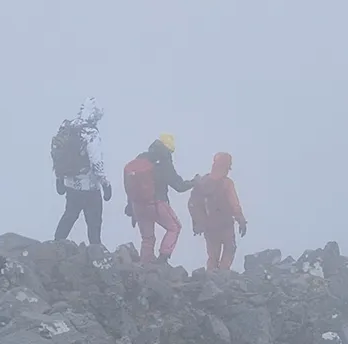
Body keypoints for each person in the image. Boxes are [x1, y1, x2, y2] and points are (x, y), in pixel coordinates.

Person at [121, 134, 197, 263]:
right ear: (168, 149)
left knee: (147, 238)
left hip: (138, 205)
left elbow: (132, 184)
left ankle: (145, 263)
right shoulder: (164, 162)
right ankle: (163, 258)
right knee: (175, 227)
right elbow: (179, 186)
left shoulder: (141, 158)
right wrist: (194, 182)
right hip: (157, 203)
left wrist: (131, 207)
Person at [52, 108, 112, 246]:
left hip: (70, 184)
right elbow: (96, 161)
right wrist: (105, 184)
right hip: (89, 187)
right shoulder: (91, 133)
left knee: (69, 215)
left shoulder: (67, 128)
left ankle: (55, 245)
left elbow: (58, 155)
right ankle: (96, 250)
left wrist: (59, 177)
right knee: (94, 220)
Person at [188, 152, 247, 272]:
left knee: (213, 256)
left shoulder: (202, 182)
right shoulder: (227, 183)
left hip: (209, 226)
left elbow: (192, 204)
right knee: (230, 248)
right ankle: (222, 275)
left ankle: (211, 277)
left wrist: (197, 223)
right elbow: (234, 203)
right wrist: (241, 219)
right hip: (225, 224)